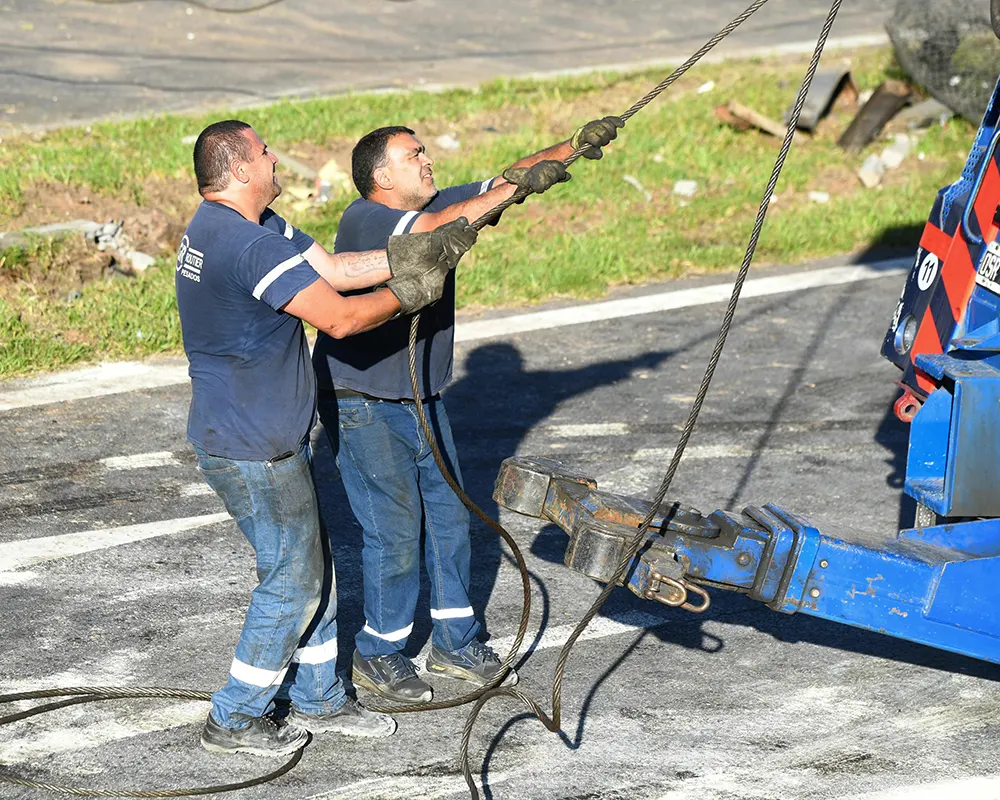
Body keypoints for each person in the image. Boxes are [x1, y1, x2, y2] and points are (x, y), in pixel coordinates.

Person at [174, 119, 478, 756]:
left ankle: (318, 696)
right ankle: (234, 715)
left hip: (256, 434)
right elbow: (340, 317)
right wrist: (407, 292)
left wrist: (407, 256)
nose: (275, 157)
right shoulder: (247, 245)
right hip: (253, 446)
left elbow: (337, 270)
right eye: (263, 153)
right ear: (238, 171)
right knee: (291, 581)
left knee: (313, 570)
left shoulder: (240, 226)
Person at [311, 116, 623, 703]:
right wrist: (518, 190)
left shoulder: (428, 204)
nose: (428, 160)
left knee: (452, 519)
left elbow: (501, 181)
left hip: (421, 399)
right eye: (414, 155)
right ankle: (379, 653)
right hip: (363, 403)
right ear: (380, 176)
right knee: (393, 531)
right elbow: (434, 229)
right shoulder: (367, 219)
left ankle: (455, 642)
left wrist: (572, 148)